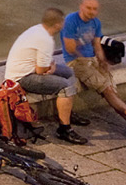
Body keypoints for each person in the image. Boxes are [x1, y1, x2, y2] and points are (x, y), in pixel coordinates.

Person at [5, 9, 87, 144]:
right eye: (62, 22)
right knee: (65, 87)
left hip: (26, 70)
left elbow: (44, 63)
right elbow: (40, 70)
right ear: (57, 25)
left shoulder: (37, 30)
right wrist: (52, 68)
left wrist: (51, 67)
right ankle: (64, 129)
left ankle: (67, 111)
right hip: (22, 78)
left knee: (69, 72)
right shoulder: (46, 40)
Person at [60, 0, 126, 125]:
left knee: (111, 89)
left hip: (92, 60)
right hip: (76, 61)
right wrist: (85, 60)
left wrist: (102, 62)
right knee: (106, 89)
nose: (91, 11)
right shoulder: (70, 21)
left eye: (95, 9)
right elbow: (70, 49)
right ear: (81, 6)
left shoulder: (95, 23)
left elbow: (97, 45)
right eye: (88, 8)